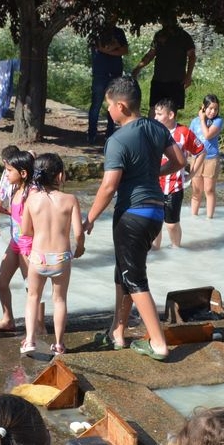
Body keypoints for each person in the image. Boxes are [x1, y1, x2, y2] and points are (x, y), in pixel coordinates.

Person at [84, 76, 185, 361]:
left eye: (109, 106)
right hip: (156, 211)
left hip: (132, 214)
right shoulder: (157, 127)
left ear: (121, 106)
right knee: (124, 272)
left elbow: (109, 186)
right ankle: (117, 332)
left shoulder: (117, 140)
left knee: (135, 277)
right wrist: (154, 174)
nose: (108, 111)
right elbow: (180, 161)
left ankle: (158, 344)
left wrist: (89, 218)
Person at [19, 153, 84, 356]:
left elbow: (25, 231)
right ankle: (58, 344)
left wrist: (39, 232)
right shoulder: (70, 200)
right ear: (60, 175)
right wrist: (80, 247)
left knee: (33, 297)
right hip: (61, 258)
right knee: (59, 300)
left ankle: (30, 340)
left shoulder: (31, 200)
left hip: (38, 257)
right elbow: (78, 232)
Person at [0, 150, 35, 334]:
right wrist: (3, 211)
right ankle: (8, 319)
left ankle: (38, 326)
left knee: (32, 288)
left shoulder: (32, 193)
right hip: (15, 241)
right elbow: (18, 216)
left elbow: (33, 221)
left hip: (27, 244)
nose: (6, 174)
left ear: (23, 173)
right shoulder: (16, 190)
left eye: (9, 170)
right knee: (1, 281)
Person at [150, 98, 202, 250]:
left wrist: (192, 174)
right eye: (155, 114)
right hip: (154, 185)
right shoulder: (153, 131)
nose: (155, 117)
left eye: (159, 114)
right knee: (154, 221)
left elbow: (201, 151)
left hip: (174, 186)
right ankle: (155, 251)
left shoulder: (184, 132)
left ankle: (176, 250)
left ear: (171, 115)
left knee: (171, 224)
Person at [131, 15, 196, 114]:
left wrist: (188, 76)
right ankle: (152, 125)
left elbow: (192, 56)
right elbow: (150, 54)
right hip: (159, 80)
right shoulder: (159, 36)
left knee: (171, 112)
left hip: (176, 81)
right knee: (154, 109)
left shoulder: (184, 37)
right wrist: (138, 68)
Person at [87, 23, 128, 143]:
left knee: (114, 104)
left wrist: (107, 50)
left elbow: (124, 50)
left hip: (115, 74)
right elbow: (100, 47)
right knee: (96, 104)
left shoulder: (119, 32)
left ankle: (110, 133)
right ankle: (91, 134)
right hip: (100, 74)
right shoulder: (96, 31)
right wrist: (115, 47)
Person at [188, 94, 223, 219]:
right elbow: (190, 138)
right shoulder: (194, 121)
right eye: (210, 108)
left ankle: (210, 219)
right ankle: (194, 218)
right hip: (196, 158)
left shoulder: (218, 121)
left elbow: (207, 135)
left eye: (215, 109)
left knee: (209, 190)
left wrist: (202, 119)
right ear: (203, 107)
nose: (213, 112)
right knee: (196, 190)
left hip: (211, 159)